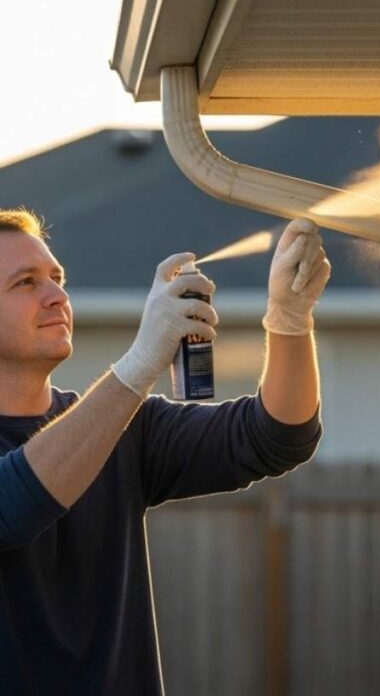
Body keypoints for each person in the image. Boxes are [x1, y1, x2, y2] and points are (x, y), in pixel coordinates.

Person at [0, 209, 331, 694]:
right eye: (26, 282)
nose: (57, 296)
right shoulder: (112, 420)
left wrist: (290, 319)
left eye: (57, 278)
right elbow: (13, 506)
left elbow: (278, 435)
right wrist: (138, 365)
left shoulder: (125, 428)